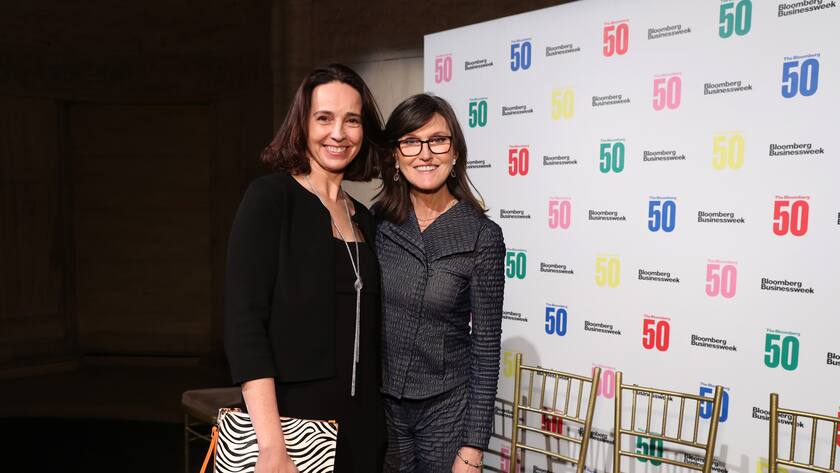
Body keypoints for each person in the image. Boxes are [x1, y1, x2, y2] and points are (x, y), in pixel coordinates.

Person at [224, 64, 386, 473]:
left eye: (352, 120)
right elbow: (245, 327)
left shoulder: (365, 218)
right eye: (324, 118)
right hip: (292, 429)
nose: (338, 133)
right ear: (302, 124)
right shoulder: (271, 199)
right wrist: (271, 445)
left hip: (362, 427)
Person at [374, 93, 506, 472]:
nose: (425, 153)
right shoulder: (378, 223)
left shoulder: (482, 235)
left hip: (447, 411)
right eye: (411, 142)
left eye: (438, 140)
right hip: (382, 410)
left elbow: (485, 349)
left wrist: (473, 448)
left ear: (455, 153)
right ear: (396, 156)